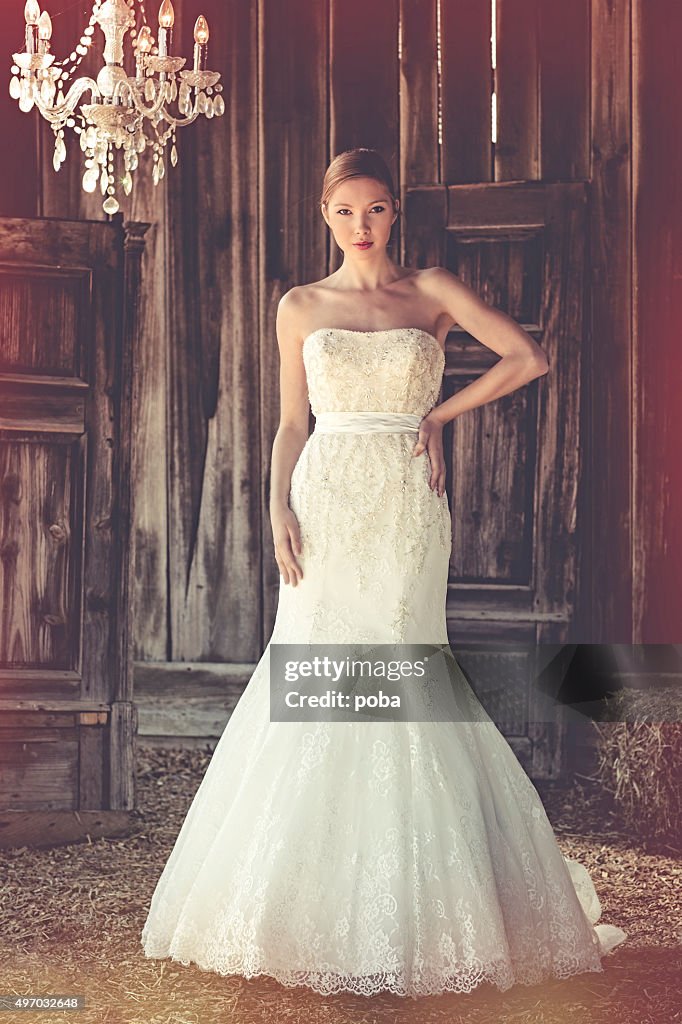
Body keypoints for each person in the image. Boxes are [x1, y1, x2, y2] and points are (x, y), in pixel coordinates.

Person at [141, 147, 627, 997]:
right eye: (343, 212)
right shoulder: (299, 305)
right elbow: (293, 422)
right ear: (322, 217)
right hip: (325, 499)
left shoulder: (432, 291)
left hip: (404, 505)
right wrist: (275, 507)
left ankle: (422, 910)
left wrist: (437, 414)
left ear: (394, 211)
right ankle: (294, 907)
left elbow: (526, 358)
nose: (359, 226)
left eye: (373, 210)